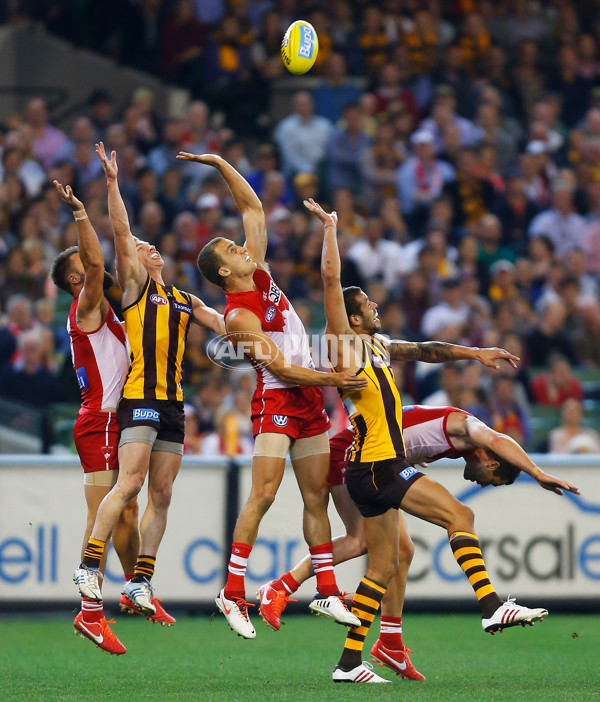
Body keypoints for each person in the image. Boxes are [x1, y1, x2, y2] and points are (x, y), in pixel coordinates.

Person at [302, 198, 552, 684]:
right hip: (379, 466)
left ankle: (349, 664)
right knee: (461, 515)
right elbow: (332, 282)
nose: (375, 308)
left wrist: (473, 353)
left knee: (382, 567)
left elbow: (426, 350)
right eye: (367, 306)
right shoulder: (346, 344)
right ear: (351, 320)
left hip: (369, 469)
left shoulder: (375, 344)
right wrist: (331, 229)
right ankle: (491, 606)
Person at [183, 151, 369, 640]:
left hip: (307, 401)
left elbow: (253, 210)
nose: (242, 248)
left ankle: (326, 590)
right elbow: (283, 368)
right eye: (232, 250)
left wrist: (222, 164)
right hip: (277, 403)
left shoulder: (259, 272)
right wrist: (335, 381)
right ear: (224, 272)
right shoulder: (240, 317)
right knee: (263, 495)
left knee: (315, 498)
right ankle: (232, 590)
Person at [260, 405, 580, 676]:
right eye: (492, 482)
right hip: (355, 456)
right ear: (492, 462)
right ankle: (281, 587)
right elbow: (497, 438)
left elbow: (407, 419)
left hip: (372, 456)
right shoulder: (470, 428)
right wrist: (538, 473)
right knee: (448, 519)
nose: (484, 485)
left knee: (399, 553)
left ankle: (388, 645)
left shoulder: (460, 438)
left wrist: (406, 448)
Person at [73, 143, 225, 627]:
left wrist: (268, 335)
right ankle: (87, 567)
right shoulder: (137, 289)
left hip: (174, 405)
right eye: (143, 247)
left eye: (150, 246)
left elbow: (227, 325)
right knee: (131, 482)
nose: (148, 247)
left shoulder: (183, 298)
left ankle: (140, 579)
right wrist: (114, 184)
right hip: (139, 399)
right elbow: (120, 230)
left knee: (162, 496)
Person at [49, 181, 139, 656]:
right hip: (101, 419)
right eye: (82, 267)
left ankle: (133, 588)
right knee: (102, 514)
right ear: (74, 281)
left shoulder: (104, 309)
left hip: (108, 419)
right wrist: (83, 214)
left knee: (125, 510)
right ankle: (90, 612)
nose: (92, 266)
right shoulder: (84, 306)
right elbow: (102, 264)